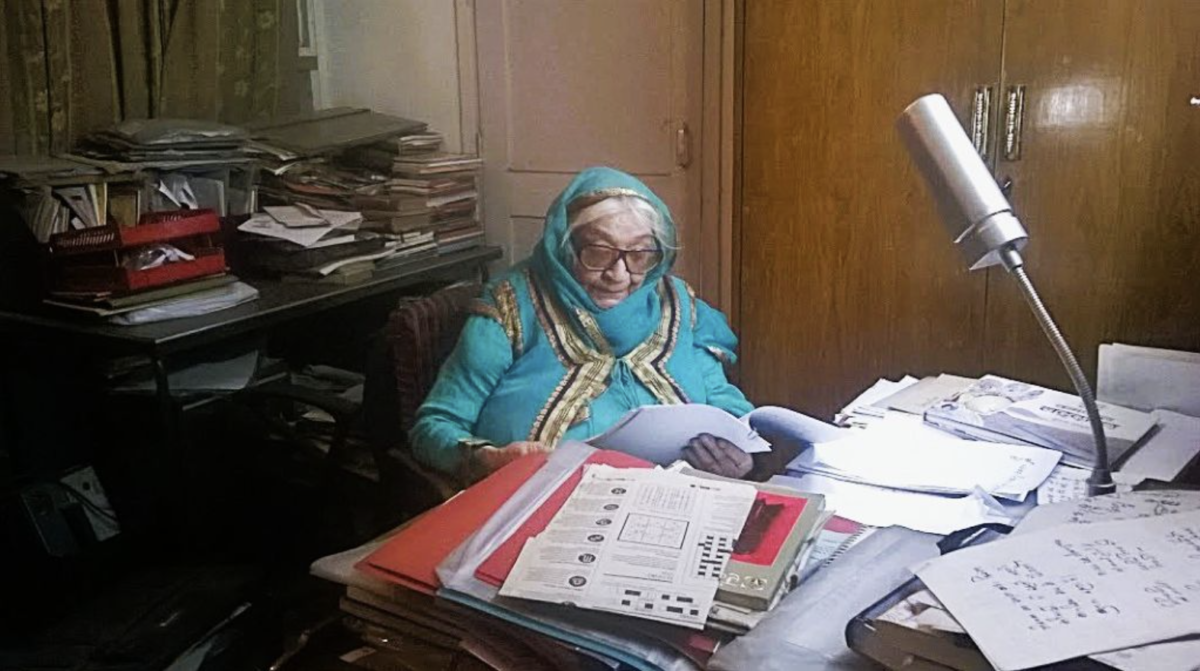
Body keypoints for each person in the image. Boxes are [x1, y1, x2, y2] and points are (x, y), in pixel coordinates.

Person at [410, 167, 757, 481]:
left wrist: (740, 456)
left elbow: (727, 407)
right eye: (598, 252)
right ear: (563, 246)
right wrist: (486, 458)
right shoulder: (510, 307)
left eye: (639, 254)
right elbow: (433, 427)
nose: (618, 274)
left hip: (670, 499)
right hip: (540, 505)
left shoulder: (678, 304)